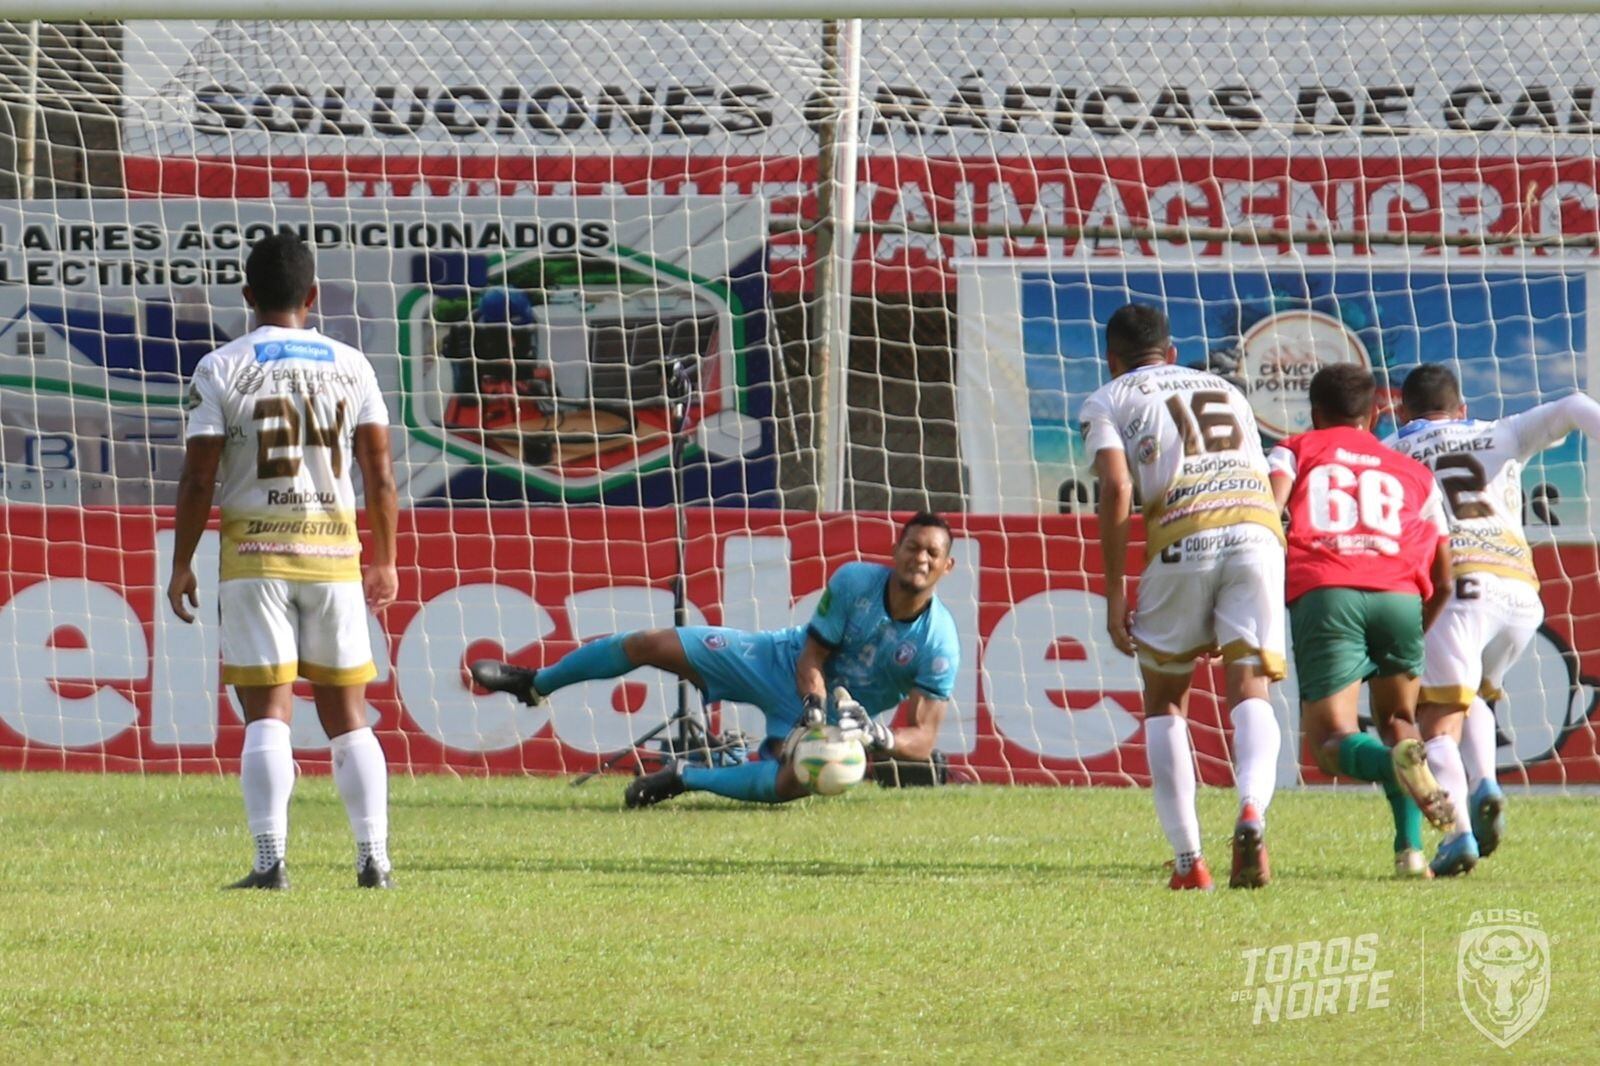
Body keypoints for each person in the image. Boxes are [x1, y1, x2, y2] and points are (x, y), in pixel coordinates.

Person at [166, 232, 399, 890]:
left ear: (246, 296)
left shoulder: (220, 367)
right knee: (347, 716)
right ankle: (372, 859)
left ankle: (270, 861)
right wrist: (385, 560)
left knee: (268, 712)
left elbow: (198, 477)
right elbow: (379, 474)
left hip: (255, 556)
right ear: (313, 295)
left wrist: (182, 561)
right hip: (334, 557)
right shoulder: (353, 365)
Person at [471, 513, 960, 807]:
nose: (920, 558)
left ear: (945, 566)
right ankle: (535, 683)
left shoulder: (940, 642)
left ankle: (686, 778)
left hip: (833, 719)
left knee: (806, 780)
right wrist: (812, 701)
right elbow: (813, 654)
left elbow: (925, 737)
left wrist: (878, 735)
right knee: (650, 642)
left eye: (931, 553)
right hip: (776, 660)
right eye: (912, 546)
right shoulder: (855, 581)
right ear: (895, 550)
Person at [1080, 304, 1285, 891]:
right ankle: (1252, 809)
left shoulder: (1109, 396)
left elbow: (1118, 486)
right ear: (1171, 353)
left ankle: (1189, 861)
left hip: (1182, 533)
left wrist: (1115, 590)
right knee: (1251, 685)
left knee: (1165, 699)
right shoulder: (1225, 389)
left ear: (1112, 360)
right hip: (1258, 531)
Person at [1387, 363, 1600, 876]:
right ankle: (1485, 781)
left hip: (1455, 586)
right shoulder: (1499, 430)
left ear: (1402, 409)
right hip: (1520, 592)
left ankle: (1459, 832)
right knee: (1477, 693)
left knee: (1436, 719)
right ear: (1462, 408)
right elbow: (1573, 404)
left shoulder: (1392, 448)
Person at [1266, 364, 1454, 879]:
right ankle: (1410, 852)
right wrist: (1418, 620)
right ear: (1375, 414)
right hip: (1399, 597)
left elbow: (1269, 510)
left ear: (1313, 413)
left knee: (1331, 743)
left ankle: (1391, 767)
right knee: (1399, 725)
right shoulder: (1414, 472)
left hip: (1329, 589)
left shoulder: (1295, 449)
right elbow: (1444, 574)